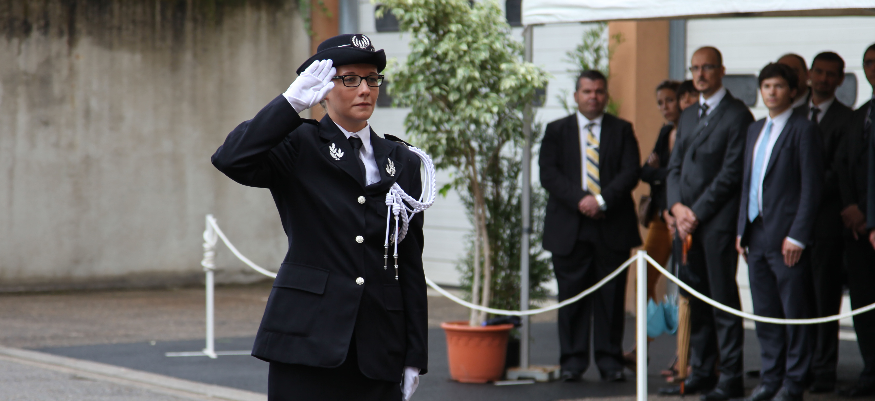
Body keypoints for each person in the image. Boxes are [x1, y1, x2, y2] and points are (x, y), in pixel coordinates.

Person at [211, 34, 428, 401]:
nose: (365, 89)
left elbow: (408, 261)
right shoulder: (299, 144)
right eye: (350, 79)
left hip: (379, 345)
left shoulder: (401, 160)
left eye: (372, 79)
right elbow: (230, 158)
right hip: (306, 339)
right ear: (324, 89)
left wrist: (415, 354)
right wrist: (289, 103)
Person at [660, 46, 754, 400]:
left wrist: (694, 213)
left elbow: (731, 173)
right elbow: (674, 167)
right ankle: (701, 371)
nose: (700, 74)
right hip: (685, 225)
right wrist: (675, 207)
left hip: (715, 224)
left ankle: (730, 376)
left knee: (722, 300)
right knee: (693, 299)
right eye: (695, 68)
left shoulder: (737, 115)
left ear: (721, 71)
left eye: (707, 67)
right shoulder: (687, 115)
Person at [539, 70, 642, 383]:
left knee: (611, 299)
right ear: (576, 96)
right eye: (587, 91)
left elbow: (630, 172)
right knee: (572, 299)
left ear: (606, 95)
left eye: (599, 91)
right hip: (570, 228)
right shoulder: (556, 130)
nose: (593, 97)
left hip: (612, 227)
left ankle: (610, 362)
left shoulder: (622, 129)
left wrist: (601, 200)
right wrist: (582, 201)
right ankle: (572, 362)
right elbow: (548, 173)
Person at [736, 62, 822, 401]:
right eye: (766, 86)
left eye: (779, 86)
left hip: (788, 238)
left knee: (794, 312)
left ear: (793, 91)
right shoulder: (755, 129)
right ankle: (770, 379)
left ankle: (794, 382)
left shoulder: (804, 129)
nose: (772, 92)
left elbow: (812, 187)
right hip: (755, 235)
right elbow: (748, 184)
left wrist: (798, 235)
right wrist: (741, 230)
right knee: (765, 313)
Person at [804, 51, 854, 394]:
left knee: (824, 300)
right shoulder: (794, 114)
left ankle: (823, 369)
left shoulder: (846, 119)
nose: (823, 79)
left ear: (840, 79)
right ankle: (799, 364)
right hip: (794, 228)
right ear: (809, 74)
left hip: (826, 226)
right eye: (819, 72)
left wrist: (800, 190)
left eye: (830, 74)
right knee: (797, 301)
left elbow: (840, 171)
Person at [837, 42, 875, 398]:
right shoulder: (859, 115)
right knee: (863, 301)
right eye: (868, 62)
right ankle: (870, 369)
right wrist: (851, 208)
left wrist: (869, 212)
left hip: (872, 222)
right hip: (857, 230)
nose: (872, 67)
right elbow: (844, 166)